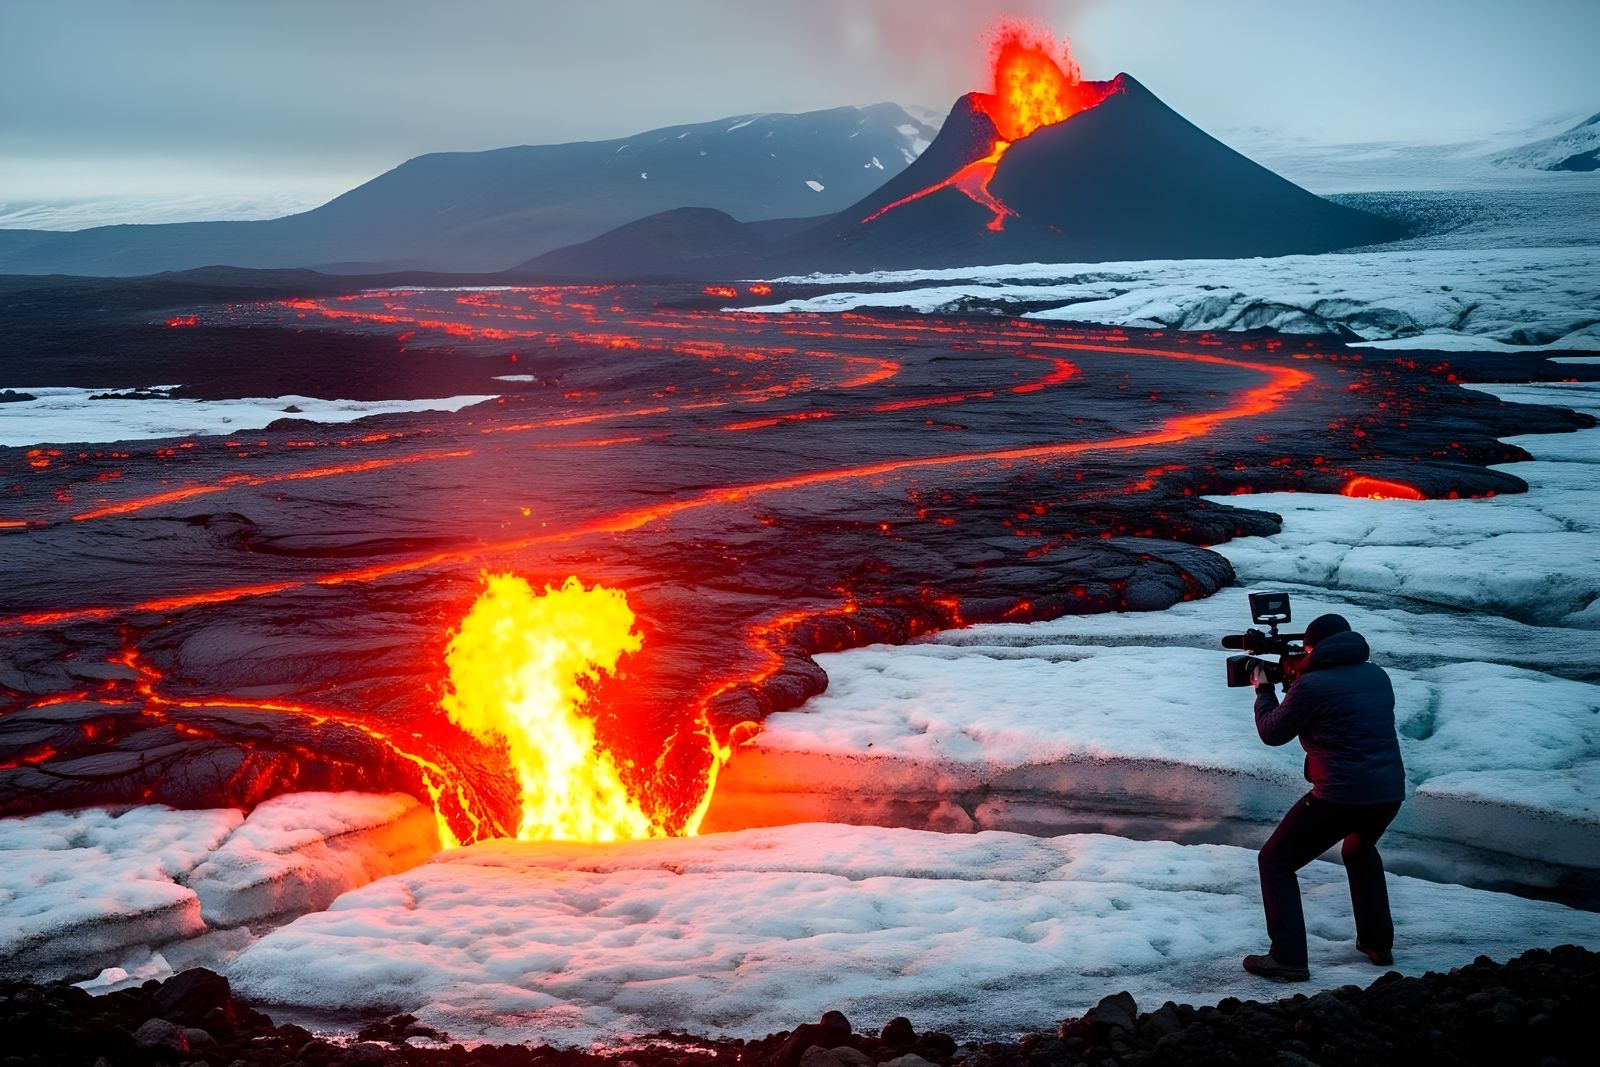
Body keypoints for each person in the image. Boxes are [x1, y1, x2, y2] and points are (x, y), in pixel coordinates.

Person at [1244, 612, 1406, 981]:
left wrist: (1265, 691)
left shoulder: (1312, 686)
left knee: (1275, 862)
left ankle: (1287, 958)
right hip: (1387, 794)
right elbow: (1340, 709)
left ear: (1314, 648)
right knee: (1359, 850)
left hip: (1339, 796)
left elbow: (1273, 732)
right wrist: (1298, 677)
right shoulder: (1377, 675)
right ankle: (1378, 944)